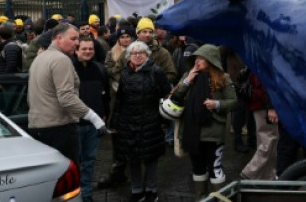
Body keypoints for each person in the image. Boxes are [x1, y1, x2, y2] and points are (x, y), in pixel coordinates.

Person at [27, 22, 107, 165]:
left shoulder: (39, 58)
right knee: (68, 178)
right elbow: (67, 98)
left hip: (38, 127)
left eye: (77, 39)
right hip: (60, 129)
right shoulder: (60, 59)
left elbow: (30, 97)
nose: (77, 43)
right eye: (73, 39)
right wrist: (94, 118)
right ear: (59, 38)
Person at [171, 43, 237, 199]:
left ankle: (219, 198)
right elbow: (176, 96)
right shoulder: (189, 75)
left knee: (215, 168)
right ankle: (201, 197)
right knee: (198, 168)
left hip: (213, 133)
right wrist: (187, 80)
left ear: (211, 59)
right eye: (196, 58)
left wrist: (217, 104)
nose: (197, 61)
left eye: (201, 58)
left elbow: (233, 101)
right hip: (192, 132)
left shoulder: (223, 78)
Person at [112, 40, 171, 202]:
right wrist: (115, 122)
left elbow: (167, 96)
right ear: (129, 56)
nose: (137, 56)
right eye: (134, 53)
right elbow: (119, 100)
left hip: (151, 122)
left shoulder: (156, 71)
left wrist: (164, 120)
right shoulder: (124, 73)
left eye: (141, 53)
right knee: (133, 157)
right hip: (128, 122)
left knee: (150, 157)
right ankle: (137, 190)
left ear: (147, 55)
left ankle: (151, 190)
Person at [74, 35, 110, 202]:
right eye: (84, 49)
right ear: (76, 50)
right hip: (74, 124)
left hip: (93, 126)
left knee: (89, 161)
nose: (88, 52)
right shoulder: (69, 68)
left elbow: (106, 95)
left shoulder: (99, 69)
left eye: (91, 49)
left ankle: (86, 194)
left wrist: (104, 114)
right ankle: (74, 195)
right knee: (74, 163)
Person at [99, 26, 136, 189]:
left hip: (133, 98)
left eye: (128, 36)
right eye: (123, 37)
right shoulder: (111, 53)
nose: (125, 40)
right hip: (115, 98)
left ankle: (130, 171)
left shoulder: (138, 52)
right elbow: (107, 68)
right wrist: (119, 77)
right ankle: (118, 170)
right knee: (117, 135)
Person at [239, 69, 279, 180]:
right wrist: (271, 106)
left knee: (265, 139)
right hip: (263, 104)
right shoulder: (264, 59)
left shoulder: (256, 57)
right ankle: (250, 171)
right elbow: (268, 83)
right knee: (269, 139)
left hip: (259, 103)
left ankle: (267, 176)